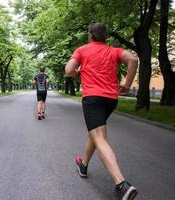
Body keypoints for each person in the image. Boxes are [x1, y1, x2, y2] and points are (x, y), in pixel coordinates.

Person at [65, 22, 138, 200]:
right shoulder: (114, 51)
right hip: (111, 99)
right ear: (105, 36)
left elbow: (68, 70)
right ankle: (83, 165)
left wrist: (79, 72)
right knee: (95, 133)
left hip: (93, 99)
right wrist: (127, 84)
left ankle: (121, 184)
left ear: (90, 35)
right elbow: (134, 59)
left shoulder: (82, 50)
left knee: (99, 136)